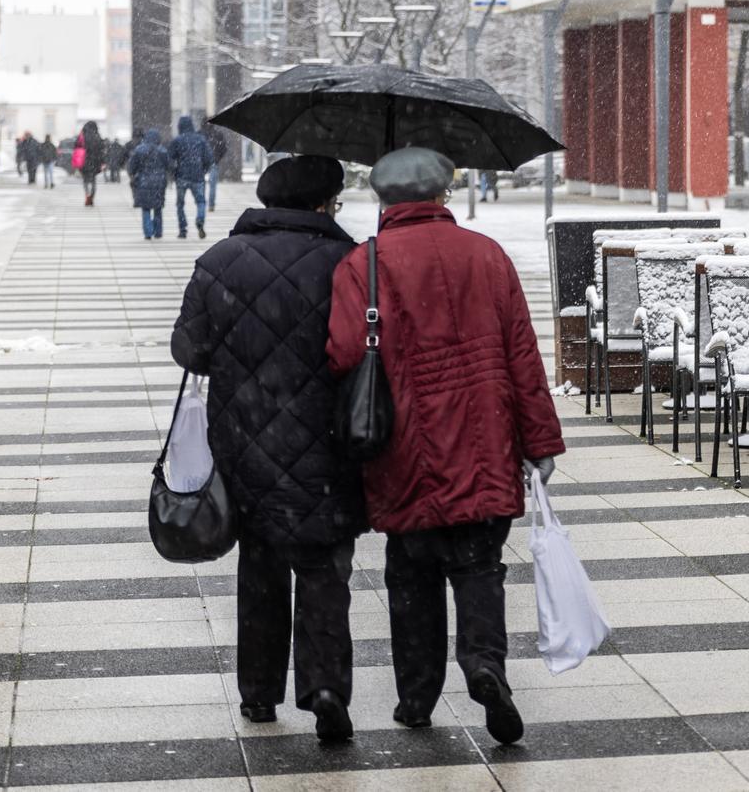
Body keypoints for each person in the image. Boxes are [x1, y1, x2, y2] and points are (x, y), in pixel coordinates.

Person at [327, 147, 563, 744]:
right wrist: (540, 441)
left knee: (412, 576)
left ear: (382, 199)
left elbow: (344, 352)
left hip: (404, 450)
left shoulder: (363, 265)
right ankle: (485, 667)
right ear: (442, 195)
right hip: (485, 445)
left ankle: (416, 697)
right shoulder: (487, 255)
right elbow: (522, 356)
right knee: (480, 569)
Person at [171, 156, 363, 743]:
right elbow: (362, 348)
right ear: (323, 202)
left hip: (244, 441)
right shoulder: (349, 262)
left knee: (260, 567)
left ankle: (259, 693)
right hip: (328, 444)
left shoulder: (220, 260)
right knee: (324, 570)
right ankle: (325, 688)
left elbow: (189, 351)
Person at [170, 116, 215, 240]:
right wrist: (203, 170)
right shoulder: (200, 139)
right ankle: (200, 219)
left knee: (180, 204)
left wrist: (174, 172)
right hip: (197, 176)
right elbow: (209, 158)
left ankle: (182, 229)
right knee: (201, 201)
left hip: (182, 176)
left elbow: (170, 158)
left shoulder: (177, 140)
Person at [127, 128, 170, 239]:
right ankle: (158, 232)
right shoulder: (163, 151)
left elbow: (132, 166)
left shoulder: (139, 149)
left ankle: (148, 232)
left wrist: (132, 173)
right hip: (159, 182)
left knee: (145, 208)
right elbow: (168, 165)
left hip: (144, 181)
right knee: (158, 208)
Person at [76, 123, 105, 207]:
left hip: (84, 161)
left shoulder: (82, 137)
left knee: (85, 180)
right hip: (95, 162)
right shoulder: (97, 137)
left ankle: (87, 195)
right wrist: (102, 161)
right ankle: (91, 197)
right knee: (93, 180)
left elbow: (76, 148)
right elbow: (101, 151)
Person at [203, 124, 227, 212]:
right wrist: (218, 158)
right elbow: (224, 148)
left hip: (202, 162)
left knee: (201, 184)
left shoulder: (201, 134)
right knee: (212, 185)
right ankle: (211, 205)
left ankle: (201, 203)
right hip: (213, 161)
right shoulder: (218, 134)